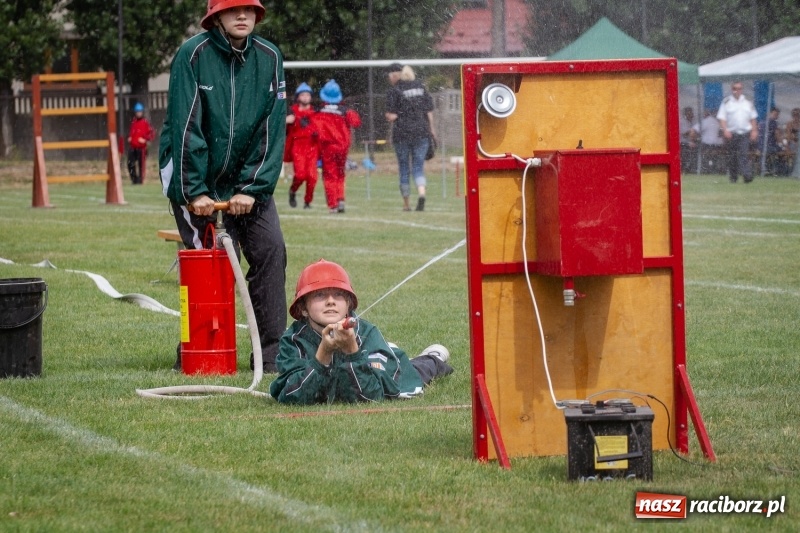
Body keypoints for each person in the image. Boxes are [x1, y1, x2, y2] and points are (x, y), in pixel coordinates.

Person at [158, 0, 287, 372]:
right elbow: (186, 126)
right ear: (216, 17)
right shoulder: (192, 55)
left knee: (271, 251)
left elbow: (271, 128)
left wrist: (251, 187)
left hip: (248, 182)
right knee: (210, 263)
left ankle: (272, 354)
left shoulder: (270, 58)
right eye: (233, 10)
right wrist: (195, 191)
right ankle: (201, 350)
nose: (242, 16)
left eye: (249, 9)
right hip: (193, 176)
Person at [269, 259, 453, 404]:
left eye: (339, 294)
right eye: (319, 295)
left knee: (414, 370)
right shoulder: (293, 340)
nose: (331, 301)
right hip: (360, 359)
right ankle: (392, 350)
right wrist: (323, 354)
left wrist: (352, 352)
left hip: (390, 366)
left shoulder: (367, 333)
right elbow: (292, 396)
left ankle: (432, 358)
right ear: (303, 308)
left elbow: (371, 396)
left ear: (349, 303)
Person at [385, 64, 436, 211]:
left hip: (402, 134)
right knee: (418, 167)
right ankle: (422, 193)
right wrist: (432, 130)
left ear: (395, 75)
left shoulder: (394, 90)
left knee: (404, 168)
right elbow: (429, 111)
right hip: (421, 132)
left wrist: (393, 115)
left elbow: (391, 116)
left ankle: (406, 204)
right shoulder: (421, 87)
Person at [312, 79, 361, 214]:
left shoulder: (319, 112)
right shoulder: (345, 110)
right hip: (342, 147)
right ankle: (340, 199)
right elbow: (356, 122)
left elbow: (313, 129)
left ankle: (333, 204)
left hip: (327, 147)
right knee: (340, 173)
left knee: (329, 175)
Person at [285, 83, 319, 209]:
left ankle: (307, 202)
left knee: (312, 177)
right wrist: (286, 120)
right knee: (300, 175)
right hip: (298, 147)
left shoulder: (315, 112)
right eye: (303, 95)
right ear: (298, 97)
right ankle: (292, 191)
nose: (305, 97)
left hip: (312, 147)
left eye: (308, 95)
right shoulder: (292, 112)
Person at [716, 81, 758, 183]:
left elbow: (753, 118)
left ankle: (747, 176)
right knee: (732, 156)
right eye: (735, 88)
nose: (737, 91)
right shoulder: (726, 102)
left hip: (744, 133)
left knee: (744, 154)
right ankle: (733, 177)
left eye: (739, 88)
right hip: (731, 134)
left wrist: (754, 130)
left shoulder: (748, 102)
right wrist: (725, 130)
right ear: (732, 89)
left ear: (742, 90)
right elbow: (722, 118)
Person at [126, 102, 155, 185]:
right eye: (137, 111)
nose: (138, 113)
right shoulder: (133, 122)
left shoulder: (145, 122)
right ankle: (134, 179)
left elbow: (152, 133)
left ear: (142, 112)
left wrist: (145, 140)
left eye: (139, 111)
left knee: (141, 165)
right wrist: (130, 137)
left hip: (141, 148)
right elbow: (132, 132)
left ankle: (140, 180)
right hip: (133, 147)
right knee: (130, 163)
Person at [693, 108, 723, 174]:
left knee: (705, 155)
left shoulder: (707, 121)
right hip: (715, 145)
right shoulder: (715, 122)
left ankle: (706, 169)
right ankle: (713, 169)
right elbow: (721, 134)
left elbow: (693, 130)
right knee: (713, 156)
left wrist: (693, 141)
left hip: (707, 145)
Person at [679, 106, 698, 173]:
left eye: (691, 113)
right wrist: (692, 131)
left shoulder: (693, 121)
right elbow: (684, 134)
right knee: (685, 154)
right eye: (689, 113)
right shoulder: (682, 122)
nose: (691, 114)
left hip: (690, 142)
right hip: (683, 142)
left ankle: (692, 168)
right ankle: (685, 168)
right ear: (686, 113)